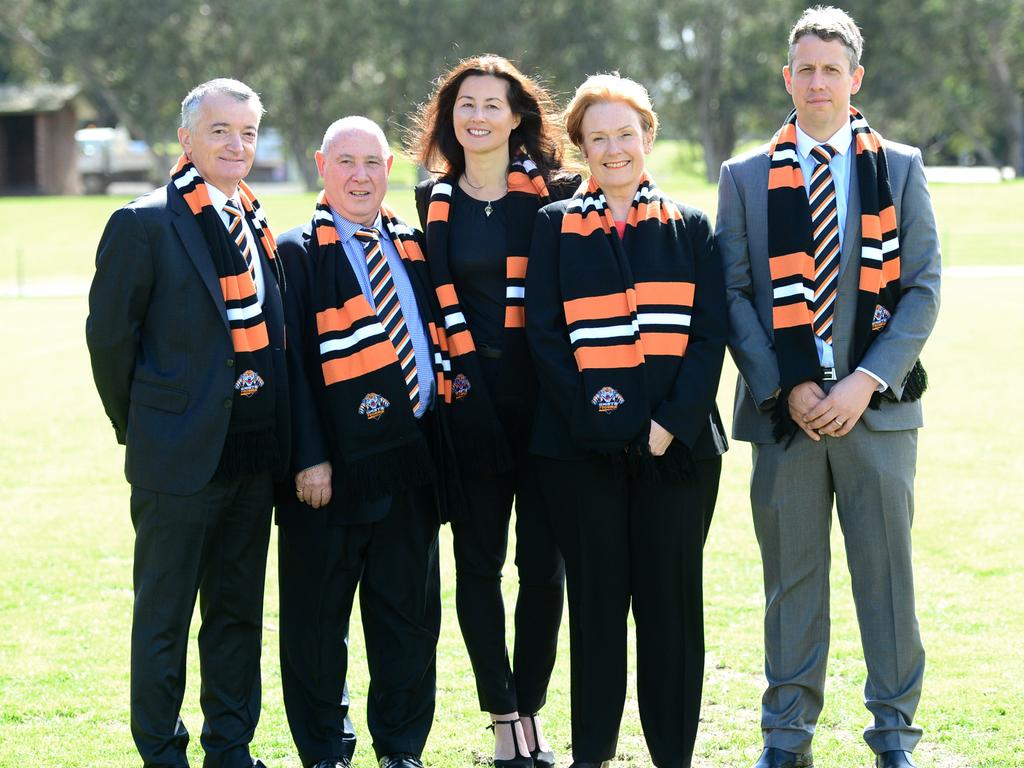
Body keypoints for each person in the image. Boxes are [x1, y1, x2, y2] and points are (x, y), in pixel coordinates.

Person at [715, 7, 941, 768]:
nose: (818, 82)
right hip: (787, 420)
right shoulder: (743, 177)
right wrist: (790, 388)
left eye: (831, 69)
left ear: (855, 79)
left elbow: (922, 290)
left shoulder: (901, 167)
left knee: (887, 583)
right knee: (792, 585)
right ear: (788, 78)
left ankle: (894, 737)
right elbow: (735, 294)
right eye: (804, 69)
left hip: (878, 417)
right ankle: (787, 738)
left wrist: (864, 382)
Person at [525, 73, 728, 768]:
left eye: (625, 133)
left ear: (648, 136)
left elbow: (709, 339)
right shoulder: (553, 227)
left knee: (672, 615)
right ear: (581, 146)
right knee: (597, 613)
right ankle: (595, 756)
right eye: (598, 137)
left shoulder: (692, 227)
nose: (614, 148)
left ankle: (673, 754)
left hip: (679, 454)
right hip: (583, 453)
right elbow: (544, 337)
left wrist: (665, 425)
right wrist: (604, 422)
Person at [86, 78, 289, 768]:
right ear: (187, 139)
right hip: (177, 459)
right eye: (221, 130)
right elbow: (110, 345)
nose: (237, 144)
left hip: (252, 457)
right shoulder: (142, 224)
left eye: (249, 132)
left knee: (236, 618)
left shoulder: (258, 221)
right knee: (165, 620)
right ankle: (163, 753)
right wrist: (142, 426)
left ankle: (230, 749)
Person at [406, 54, 575, 768]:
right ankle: (502, 715)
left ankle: (532, 706)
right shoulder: (428, 201)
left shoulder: (557, 195)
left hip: (546, 409)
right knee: (478, 567)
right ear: (450, 118)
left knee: (543, 570)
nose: (477, 116)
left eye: (492, 104)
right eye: (464, 104)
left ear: (518, 117)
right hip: (467, 403)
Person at [275, 116, 451, 768]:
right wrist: (308, 457)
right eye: (346, 162)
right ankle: (326, 750)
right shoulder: (292, 251)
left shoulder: (412, 245)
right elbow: (290, 370)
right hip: (329, 474)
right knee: (318, 625)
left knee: (408, 619)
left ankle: (401, 747)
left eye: (372, 163)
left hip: (409, 464)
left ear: (389, 170)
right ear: (322, 165)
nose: (359, 176)